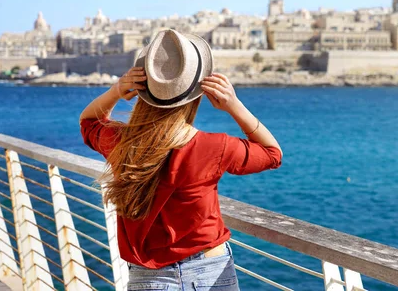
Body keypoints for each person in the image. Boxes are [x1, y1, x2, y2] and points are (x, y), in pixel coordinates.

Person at [79, 29, 282, 290]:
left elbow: (89, 122)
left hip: (148, 277)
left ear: (144, 89)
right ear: (197, 94)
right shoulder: (214, 147)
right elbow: (272, 154)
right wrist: (233, 105)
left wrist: (117, 90)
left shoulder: (121, 143)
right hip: (211, 271)